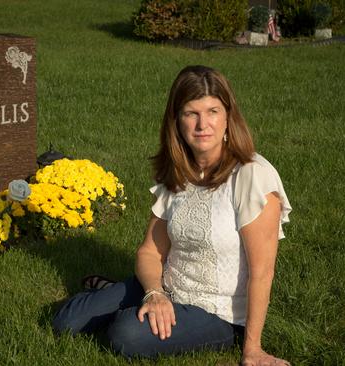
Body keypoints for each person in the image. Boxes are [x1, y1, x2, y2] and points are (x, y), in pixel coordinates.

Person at [52, 65, 292, 365]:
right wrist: (154, 293)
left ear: (228, 116)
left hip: (220, 313)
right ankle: (115, 294)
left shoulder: (252, 176)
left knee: (125, 335)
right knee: (65, 321)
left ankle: (116, 299)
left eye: (213, 111)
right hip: (166, 287)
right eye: (191, 113)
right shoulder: (179, 171)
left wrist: (252, 349)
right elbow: (150, 252)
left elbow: (262, 273)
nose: (203, 124)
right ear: (176, 120)